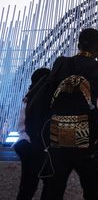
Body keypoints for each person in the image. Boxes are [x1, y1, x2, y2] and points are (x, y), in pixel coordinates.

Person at [41, 28, 98, 200]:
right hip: (85, 136)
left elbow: (49, 89)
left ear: (78, 45)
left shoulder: (61, 63)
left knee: (53, 187)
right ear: (97, 48)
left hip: (58, 132)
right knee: (91, 188)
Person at [13, 68, 50, 200]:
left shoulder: (31, 95)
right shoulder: (40, 98)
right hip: (33, 145)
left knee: (29, 185)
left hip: (25, 143)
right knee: (39, 183)